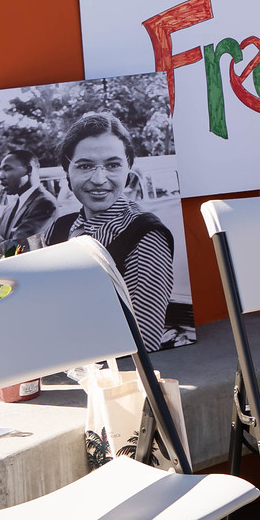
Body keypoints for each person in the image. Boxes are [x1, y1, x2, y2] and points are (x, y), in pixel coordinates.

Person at [42, 112, 177, 349]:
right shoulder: (60, 227)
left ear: (128, 170)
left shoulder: (145, 235)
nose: (99, 179)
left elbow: (143, 341)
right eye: (85, 166)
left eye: (113, 165)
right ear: (67, 171)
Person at [0, 149, 56, 248]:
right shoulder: (11, 206)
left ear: (28, 170)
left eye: (7, 169)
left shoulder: (45, 204)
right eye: (1, 170)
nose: (1, 176)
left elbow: (17, 249)